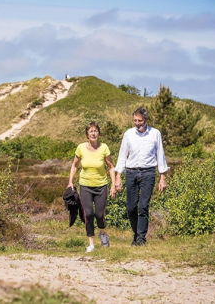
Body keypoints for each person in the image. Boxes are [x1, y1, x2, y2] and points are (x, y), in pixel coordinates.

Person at [114, 107, 169, 246]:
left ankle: (141, 239)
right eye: (135, 120)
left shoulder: (155, 133)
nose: (137, 123)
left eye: (140, 121)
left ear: (146, 120)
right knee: (131, 207)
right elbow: (122, 155)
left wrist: (163, 177)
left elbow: (160, 155)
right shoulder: (128, 134)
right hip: (131, 172)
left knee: (143, 206)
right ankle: (136, 234)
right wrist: (118, 176)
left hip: (148, 173)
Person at [68, 121, 116, 252]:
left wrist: (113, 185)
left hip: (101, 185)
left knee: (99, 214)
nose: (93, 133)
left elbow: (111, 167)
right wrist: (70, 182)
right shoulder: (81, 148)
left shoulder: (104, 148)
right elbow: (74, 165)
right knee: (88, 214)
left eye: (95, 131)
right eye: (91, 131)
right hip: (85, 186)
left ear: (98, 133)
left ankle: (103, 233)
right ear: (87, 135)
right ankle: (91, 244)